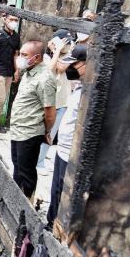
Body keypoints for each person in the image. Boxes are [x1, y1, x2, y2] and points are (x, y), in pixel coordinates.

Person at [46, 44, 87, 230]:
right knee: (56, 190)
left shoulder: (91, 94)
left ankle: (58, 228)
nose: (71, 69)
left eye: (75, 65)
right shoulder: (81, 87)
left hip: (72, 152)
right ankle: (50, 222)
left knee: (64, 192)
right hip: (62, 149)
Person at [9, 40, 57, 198]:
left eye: (24, 55)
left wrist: (47, 131)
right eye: (20, 54)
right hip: (18, 129)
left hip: (30, 132)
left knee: (26, 171)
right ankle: (16, 199)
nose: (20, 58)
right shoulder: (29, 72)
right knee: (17, 166)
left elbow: (50, 112)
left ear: (36, 58)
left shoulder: (45, 78)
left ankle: (28, 203)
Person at [37, 29, 74, 175]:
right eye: (65, 41)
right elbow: (53, 68)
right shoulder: (45, 56)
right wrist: (55, 50)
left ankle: (40, 161)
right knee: (40, 132)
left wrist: (59, 50)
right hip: (48, 102)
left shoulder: (70, 54)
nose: (68, 44)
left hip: (62, 101)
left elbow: (62, 67)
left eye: (69, 42)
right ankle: (35, 159)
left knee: (51, 134)